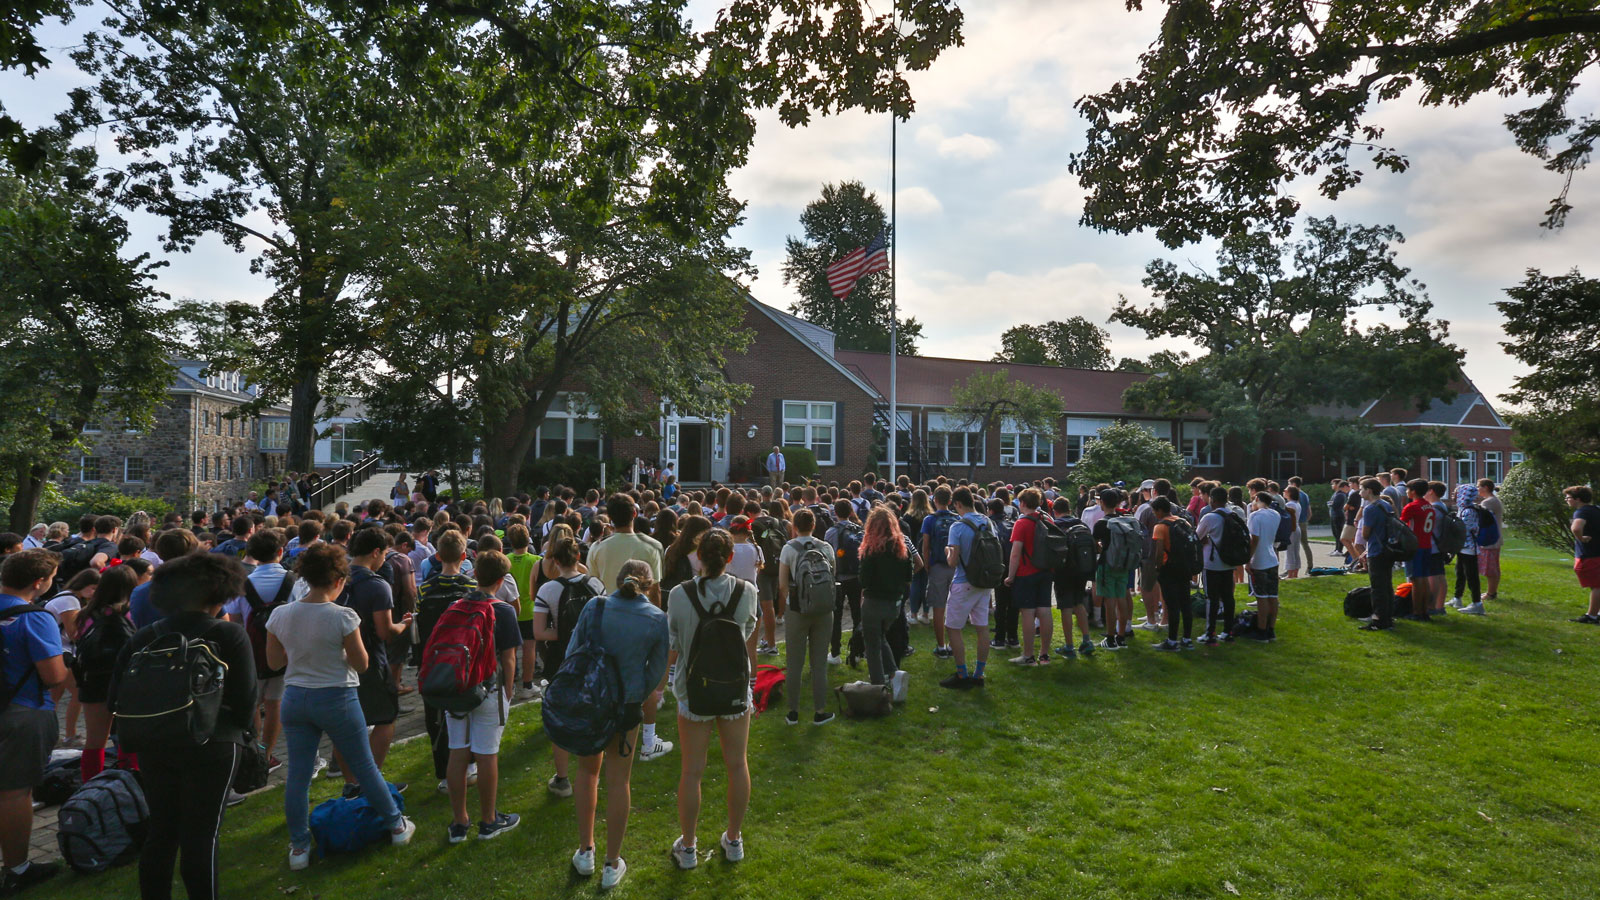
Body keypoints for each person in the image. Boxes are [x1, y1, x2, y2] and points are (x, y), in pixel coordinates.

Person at [108, 552, 257, 900]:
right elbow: (246, 702)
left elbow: (114, 699)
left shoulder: (143, 637)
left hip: (154, 743)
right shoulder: (229, 635)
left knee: (161, 833)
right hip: (214, 743)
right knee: (202, 836)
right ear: (219, 593)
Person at [266, 542, 415, 870]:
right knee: (364, 767)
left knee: (299, 776)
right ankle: (396, 824)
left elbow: (274, 661)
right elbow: (361, 665)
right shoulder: (343, 616)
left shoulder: (280, 614)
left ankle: (299, 847)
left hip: (295, 698)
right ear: (338, 580)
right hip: (336, 697)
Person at [569, 561, 670, 891]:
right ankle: (612, 862)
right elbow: (656, 674)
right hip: (626, 707)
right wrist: (632, 695)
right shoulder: (656, 618)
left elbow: (573, 654)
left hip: (591, 702)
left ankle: (586, 851)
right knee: (618, 781)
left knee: (587, 773)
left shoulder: (594, 606)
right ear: (650, 584)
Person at [666, 530, 757, 870]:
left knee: (692, 771)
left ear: (697, 556)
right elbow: (746, 632)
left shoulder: (679, 595)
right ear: (729, 557)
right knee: (737, 764)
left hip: (693, 690)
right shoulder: (747, 591)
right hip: (734, 687)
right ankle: (734, 839)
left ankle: (688, 847)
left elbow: (673, 641)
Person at [0, 549, 69, 895]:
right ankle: (17, 868)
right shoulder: (35, 617)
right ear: (38, 582)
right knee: (14, 793)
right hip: (23, 711)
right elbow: (54, 675)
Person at [441, 550, 522, 843]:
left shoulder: (455, 605)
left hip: (457, 687)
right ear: (501, 581)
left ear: (475, 574)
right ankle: (488, 820)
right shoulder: (503, 610)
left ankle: (459, 822)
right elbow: (509, 657)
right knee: (487, 754)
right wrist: (509, 689)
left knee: (458, 750)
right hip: (489, 687)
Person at [584, 494, 671, 763]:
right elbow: (655, 591)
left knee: (609, 675)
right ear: (634, 513)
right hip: (642, 620)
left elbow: (593, 588)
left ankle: (643, 738)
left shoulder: (600, 548)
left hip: (608, 620)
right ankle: (646, 739)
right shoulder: (652, 545)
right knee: (644, 678)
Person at [338, 527, 411, 796]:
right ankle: (371, 782)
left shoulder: (336, 578)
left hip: (339, 660)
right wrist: (403, 625)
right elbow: (385, 631)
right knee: (385, 718)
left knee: (344, 726)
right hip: (370, 661)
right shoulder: (376, 584)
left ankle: (351, 783)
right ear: (376, 552)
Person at [534, 536, 606, 798]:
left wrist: (566, 633)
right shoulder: (596, 584)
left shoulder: (548, 590)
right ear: (579, 558)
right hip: (591, 655)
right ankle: (593, 766)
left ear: (554, 560)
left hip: (561, 659)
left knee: (561, 715)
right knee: (595, 709)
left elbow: (539, 631)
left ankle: (563, 778)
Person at [75, 564, 140, 782]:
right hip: (126, 681)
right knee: (129, 737)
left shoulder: (85, 615)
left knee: (94, 741)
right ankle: (131, 783)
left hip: (93, 680)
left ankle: (89, 787)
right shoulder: (131, 613)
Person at [777, 509, 835, 726]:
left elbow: (782, 584)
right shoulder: (826, 547)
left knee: (794, 662)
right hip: (823, 609)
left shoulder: (789, 549)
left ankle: (793, 712)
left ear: (794, 526)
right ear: (814, 525)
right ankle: (820, 711)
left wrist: (792, 601)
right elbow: (832, 577)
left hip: (797, 610)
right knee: (819, 662)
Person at [857, 508, 913, 689]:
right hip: (894, 604)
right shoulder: (902, 549)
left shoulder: (871, 551)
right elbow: (908, 576)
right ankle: (894, 673)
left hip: (874, 602)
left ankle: (877, 686)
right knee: (880, 638)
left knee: (872, 645)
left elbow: (864, 580)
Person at [942, 488, 992, 688]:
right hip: (984, 581)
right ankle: (979, 674)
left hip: (964, 581)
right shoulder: (987, 522)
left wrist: (947, 551)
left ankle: (962, 674)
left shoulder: (957, 526)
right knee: (982, 627)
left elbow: (952, 562)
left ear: (958, 504)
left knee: (953, 627)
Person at [44, 569, 96, 748]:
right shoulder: (70, 601)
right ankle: (69, 735)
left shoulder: (65, 596)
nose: (95, 593)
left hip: (56, 651)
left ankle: (49, 735)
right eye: (93, 588)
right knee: (77, 693)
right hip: (63, 652)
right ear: (83, 585)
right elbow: (74, 633)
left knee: (53, 698)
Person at [1147, 497, 1197, 650]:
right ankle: (1187, 639)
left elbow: (1159, 550)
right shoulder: (1183, 522)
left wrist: (1157, 567)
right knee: (1186, 604)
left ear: (1160, 510)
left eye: (1155, 511)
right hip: (1185, 567)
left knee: (1172, 606)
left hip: (1169, 569)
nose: (1155, 514)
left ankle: (1172, 641)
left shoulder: (1160, 526)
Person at [1194, 485, 1239, 642]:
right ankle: (1228, 631)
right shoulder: (1234, 515)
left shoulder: (1210, 517)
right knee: (1228, 597)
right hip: (1229, 562)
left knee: (1211, 599)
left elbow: (1196, 537)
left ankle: (1210, 633)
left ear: (1212, 500)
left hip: (1212, 563)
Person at [824, 499, 865, 666]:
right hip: (856, 577)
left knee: (837, 616)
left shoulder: (831, 532)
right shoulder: (859, 530)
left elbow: (828, 556)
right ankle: (857, 652)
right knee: (857, 615)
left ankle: (835, 653)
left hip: (838, 578)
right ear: (850, 512)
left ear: (836, 513)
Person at [504, 524, 543, 700]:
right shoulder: (536, 560)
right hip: (529, 610)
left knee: (509, 651)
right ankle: (527, 685)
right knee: (529, 648)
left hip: (509, 610)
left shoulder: (505, 559)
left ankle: (509, 687)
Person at [1354, 478, 1397, 632]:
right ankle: (1389, 616)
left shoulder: (1370, 508)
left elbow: (1365, 534)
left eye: (1361, 489)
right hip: (1388, 549)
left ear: (1369, 490)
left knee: (1377, 587)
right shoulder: (1386, 504)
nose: (1360, 492)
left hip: (1376, 550)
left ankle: (1379, 620)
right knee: (1387, 585)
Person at [919, 487, 958, 650]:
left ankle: (941, 646)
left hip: (937, 566)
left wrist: (927, 565)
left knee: (939, 608)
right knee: (955, 609)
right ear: (950, 501)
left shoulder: (929, 520)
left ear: (934, 500)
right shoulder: (957, 519)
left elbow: (925, 546)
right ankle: (954, 644)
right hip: (956, 566)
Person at [1399, 479, 1436, 621]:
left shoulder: (1412, 506)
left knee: (1415, 580)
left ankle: (1416, 611)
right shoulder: (1429, 506)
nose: (1407, 492)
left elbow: (1401, 525)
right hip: (1427, 545)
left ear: (1413, 491)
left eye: (1408, 490)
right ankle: (1425, 610)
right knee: (1424, 579)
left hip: (1415, 546)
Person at [1245, 491, 1281, 640]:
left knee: (1262, 597)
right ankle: (1270, 629)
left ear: (1258, 499)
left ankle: (1261, 630)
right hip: (1272, 558)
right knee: (1273, 596)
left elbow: (1254, 539)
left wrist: (1248, 560)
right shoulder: (1275, 514)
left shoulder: (1255, 516)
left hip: (1259, 560)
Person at [1448, 483, 1485, 615]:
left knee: (1471, 576)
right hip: (1463, 547)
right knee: (1460, 573)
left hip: (1469, 547)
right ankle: (1457, 598)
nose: (1453, 495)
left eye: (1456, 493)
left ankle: (1477, 603)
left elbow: (1463, 529)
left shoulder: (1468, 511)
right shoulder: (1464, 509)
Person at [1567, 486, 1600, 623]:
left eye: (1568, 497)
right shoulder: (1596, 509)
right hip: (1597, 552)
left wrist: (1581, 538)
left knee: (1596, 586)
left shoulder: (1582, 512)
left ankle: (1592, 616)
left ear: (1578, 499)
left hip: (1590, 555)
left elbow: (1576, 528)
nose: (1566, 500)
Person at [1477, 479, 1506, 600]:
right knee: (1493, 567)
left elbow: (1478, 518)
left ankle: (1491, 593)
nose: (1477, 489)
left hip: (1490, 539)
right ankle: (1491, 592)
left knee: (1490, 568)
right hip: (1495, 538)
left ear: (1486, 488)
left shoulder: (1489, 502)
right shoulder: (1492, 501)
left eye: (1479, 486)